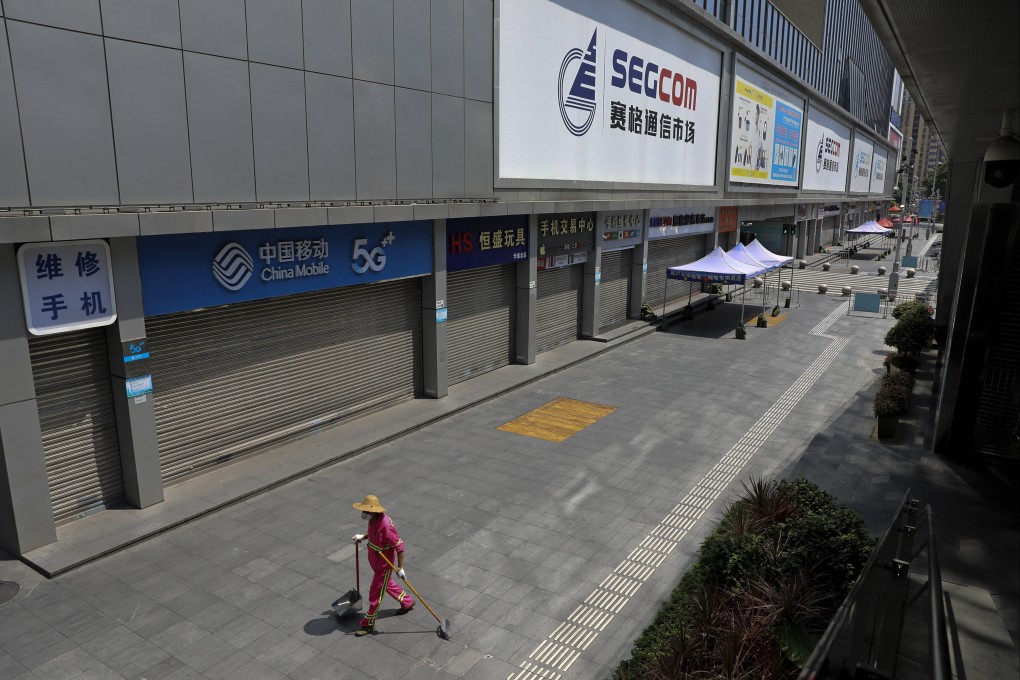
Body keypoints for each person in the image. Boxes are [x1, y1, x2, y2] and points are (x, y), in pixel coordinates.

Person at [351, 494, 414, 636]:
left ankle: (368, 624)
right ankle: (407, 601)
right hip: (375, 561)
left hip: (383, 566)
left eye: (366, 511)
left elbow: (400, 546)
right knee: (387, 584)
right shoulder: (373, 519)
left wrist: (400, 567)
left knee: (375, 594)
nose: (363, 513)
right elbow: (372, 534)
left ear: (373, 511)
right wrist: (363, 536)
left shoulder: (386, 526)